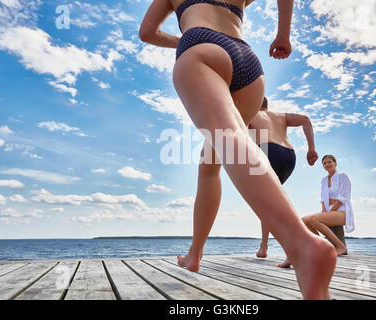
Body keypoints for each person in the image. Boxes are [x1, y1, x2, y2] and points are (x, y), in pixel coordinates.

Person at [139, 0, 336, 299]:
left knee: (229, 140)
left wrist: (187, 39)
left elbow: (147, 32)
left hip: (202, 47)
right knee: (210, 163)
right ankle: (195, 254)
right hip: (248, 64)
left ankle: (303, 245)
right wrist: (284, 35)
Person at [250, 97, 319, 266]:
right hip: (289, 155)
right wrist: (311, 148)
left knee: (268, 203)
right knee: (268, 203)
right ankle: (264, 246)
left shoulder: (251, 115)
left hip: (267, 151)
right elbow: (305, 120)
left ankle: (294, 248)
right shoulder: (280, 116)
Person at [302, 155, 355, 257]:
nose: (327, 164)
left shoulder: (343, 176)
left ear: (335, 163)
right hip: (328, 210)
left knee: (314, 219)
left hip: (342, 211)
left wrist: (329, 213)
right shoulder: (323, 180)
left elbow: (342, 198)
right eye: (324, 163)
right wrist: (324, 212)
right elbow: (323, 199)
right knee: (304, 220)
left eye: (329, 162)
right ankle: (319, 246)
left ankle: (341, 247)